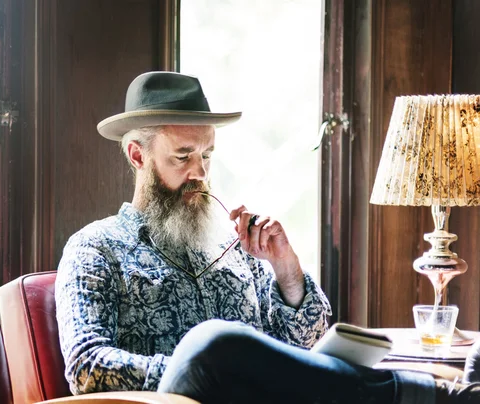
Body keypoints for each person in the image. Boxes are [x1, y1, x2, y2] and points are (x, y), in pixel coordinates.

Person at [55, 71, 480, 403]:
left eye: (206, 155)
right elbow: (88, 367)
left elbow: (303, 347)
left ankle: (429, 395)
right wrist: (223, 369)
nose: (199, 172)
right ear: (137, 155)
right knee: (214, 343)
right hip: (171, 400)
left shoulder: (234, 247)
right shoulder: (96, 248)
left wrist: (286, 271)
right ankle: (435, 396)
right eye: (182, 156)